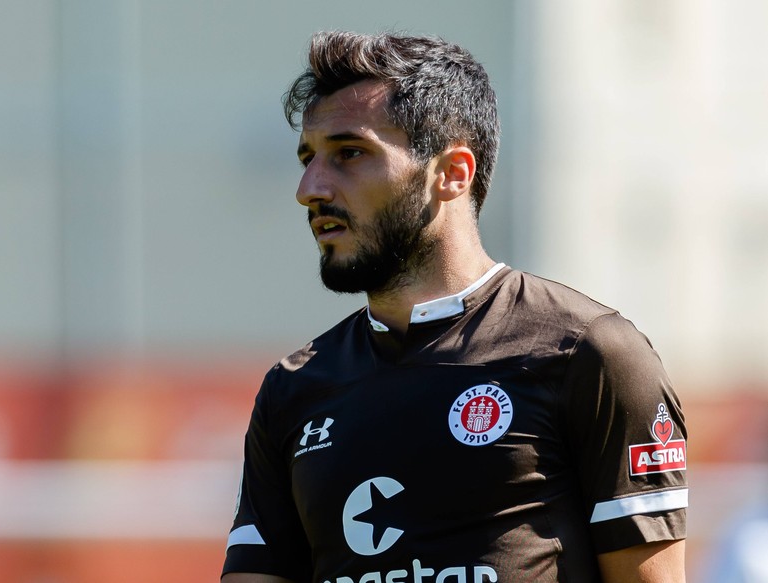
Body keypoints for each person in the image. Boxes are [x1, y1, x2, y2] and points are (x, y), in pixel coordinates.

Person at [222, 31, 687, 583]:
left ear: (452, 173)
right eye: (309, 158)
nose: (309, 188)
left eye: (349, 153)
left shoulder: (590, 353)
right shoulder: (294, 388)